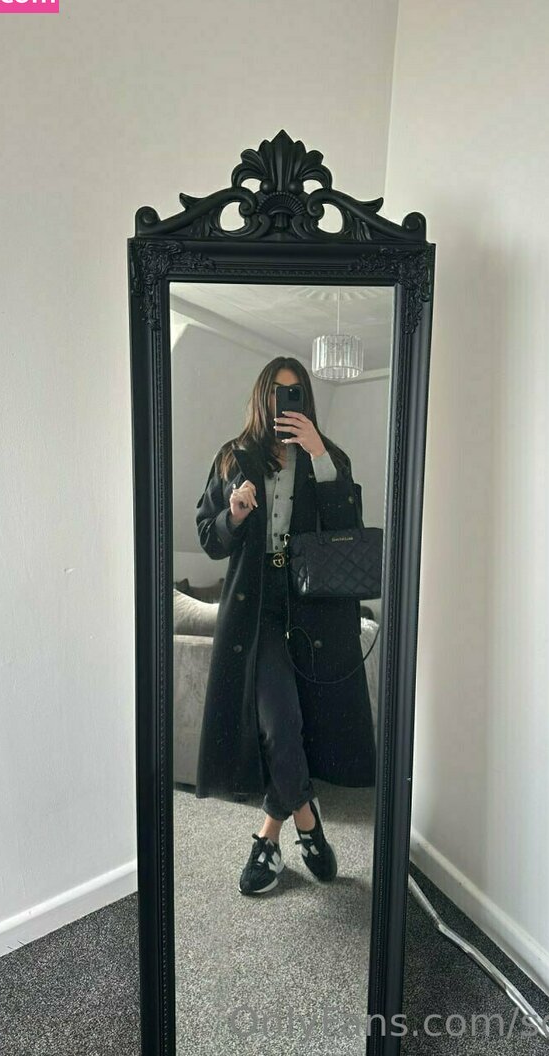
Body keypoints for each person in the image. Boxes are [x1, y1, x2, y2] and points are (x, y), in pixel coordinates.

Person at [194, 356, 376, 895]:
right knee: (278, 722)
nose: (284, 401)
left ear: (306, 401)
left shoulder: (327, 455)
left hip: (314, 607)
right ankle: (308, 824)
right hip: (258, 608)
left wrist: (319, 454)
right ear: (263, 397)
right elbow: (208, 536)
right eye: (277, 391)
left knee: (302, 723)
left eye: (295, 392)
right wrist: (234, 514)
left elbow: (348, 527)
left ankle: (268, 838)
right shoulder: (234, 456)